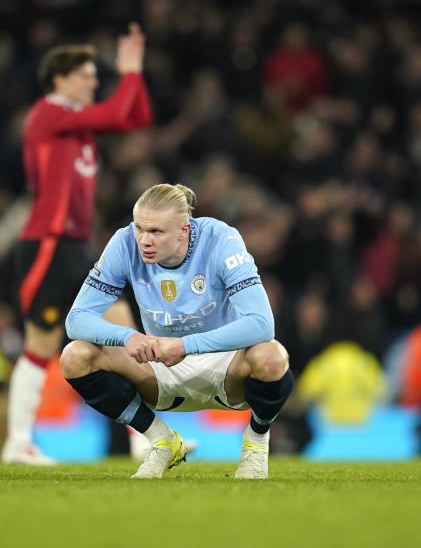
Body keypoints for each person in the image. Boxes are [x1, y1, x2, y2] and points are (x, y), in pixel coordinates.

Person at [61, 183, 293, 479]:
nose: (144, 240)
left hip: (227, 367)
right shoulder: (124, 243)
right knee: (76, 356)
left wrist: (185, 345)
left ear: (184, 230)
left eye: (156, 231)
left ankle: (256, 444)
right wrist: (128, 336)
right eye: (139, 228)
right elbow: (77, 319)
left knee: (272, 356)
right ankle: (161, 440)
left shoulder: (221, 240)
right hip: (159, 369)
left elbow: (262, 323)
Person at [1, 24, 153, 465]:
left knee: (124, 331)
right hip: (48, 245)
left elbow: (135, 117)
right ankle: (18, 442)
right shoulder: (48, 113)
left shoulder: (77, 125)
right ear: (60, 79)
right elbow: (116, 113)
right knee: (41, 342)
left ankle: (144, 439)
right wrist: (128, 72)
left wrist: (135, 73)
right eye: (85, 76)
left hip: (79, 247)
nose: (92, 83)